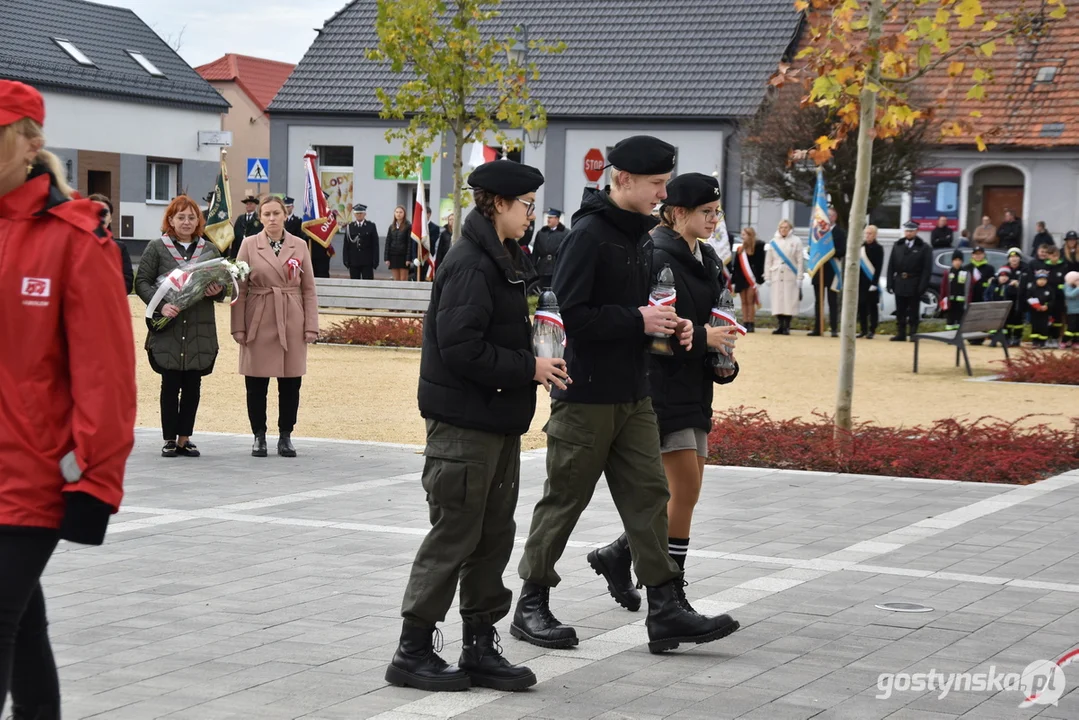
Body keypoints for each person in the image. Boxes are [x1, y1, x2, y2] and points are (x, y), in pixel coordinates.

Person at [513, 135, 739, 656]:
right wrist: (638, 319)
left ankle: (666, 608)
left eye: (664, 183)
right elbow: (568, 315)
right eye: (657, 185)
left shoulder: (639, 235)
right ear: (623, 181)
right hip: (586, 394)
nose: (663, 194)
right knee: (564, 500)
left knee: (650, 498)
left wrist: (676, 327)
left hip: (636, 393)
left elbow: (645, 311)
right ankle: (531, 603)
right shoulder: (587, 235)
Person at [386, 161, 566, 693]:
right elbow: (461, 347)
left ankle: (480, 645)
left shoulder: (505, 258)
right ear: (498, 204)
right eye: (527, 205)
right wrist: (528, 367)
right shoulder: (470, 262)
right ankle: (412, 649)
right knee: (455, 534)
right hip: (464, 425)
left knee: (493, 536)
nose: (532, 215)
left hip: (496, 421)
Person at [0, 78, 136, 719]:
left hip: (36, 476)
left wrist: (94, 485)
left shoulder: (77, 239)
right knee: (21, 626)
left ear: (28, 142)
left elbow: (106, 377)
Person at [592, 172, 740, 613]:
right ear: (678, 213)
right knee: (683, 493)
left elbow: (717, 318)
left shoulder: (707, 257)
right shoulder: (658, 255)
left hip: (694, 388)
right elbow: (655, 337)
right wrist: (704, 339)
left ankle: (618, 555)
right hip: (660, 390)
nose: (714, 219)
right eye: (706, 212)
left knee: (680, 495)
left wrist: (722, 351)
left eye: (717, 212)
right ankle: (670, 593)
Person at [136, 196, 226, 458]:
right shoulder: (157, 248)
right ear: (171, 220)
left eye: (191, 217)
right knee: (170, 382)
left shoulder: (210, 251)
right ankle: (168, 439)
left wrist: (217, 290)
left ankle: (185, 438)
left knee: (193, 384)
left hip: (199, 326)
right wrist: (161, 304)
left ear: (199, 220)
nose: (186, 222)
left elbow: (223, 287)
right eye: (180, 217)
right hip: (170, 326)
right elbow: (142, 281)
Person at [231, 196, 319, 458]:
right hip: (258, 314)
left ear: (285, 215)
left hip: (291, 316)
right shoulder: (248, 244)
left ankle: (286, 435)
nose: (271, 219)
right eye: (266, 214)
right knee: (256, 381)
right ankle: (258, 435)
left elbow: (309, 289)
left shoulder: (300, 245)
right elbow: (239, 287)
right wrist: (238, 326)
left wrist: (311, 326)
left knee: (291, 382)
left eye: (276, 214)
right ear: (260, 218)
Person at [887, 220, 933, 341]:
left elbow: (926, 269)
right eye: (907, 230)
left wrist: (923, 285)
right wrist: (890, 282)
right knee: (900, 309)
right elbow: (891, 265)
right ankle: (901, 333)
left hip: (914, 282)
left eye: (911, 231)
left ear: (916, 231)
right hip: (900, 282)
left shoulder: (924, 247)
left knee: (913, 309)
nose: (909, 233)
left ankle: (913, 333)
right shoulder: (898, 245)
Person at [764, 219, 804, 336]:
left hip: (790, 274)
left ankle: (787, 326)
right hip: (776, 273)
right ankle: (780, 325)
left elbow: (800, 260)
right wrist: (767, 276)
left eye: (786, 227)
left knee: (789, 301)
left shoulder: (796, 241)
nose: (783, 230)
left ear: (790, 228)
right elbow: (768, 261)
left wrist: (799, 277)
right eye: (781, 227)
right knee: (778, 301)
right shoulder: (773, 242)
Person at [810, 207, 846, 337]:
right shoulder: (818, 232)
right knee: (818, 301)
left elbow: (843, 251)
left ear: (834, 217)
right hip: (819, 270)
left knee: (833, 301)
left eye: (830, 216)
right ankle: (818, 328)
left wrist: (829, 252)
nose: (828, 218)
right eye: (826, 216)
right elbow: (812, 249)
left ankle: (834, 328)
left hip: (832, 271)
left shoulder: (840, 232)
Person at [88, 193, 132, 294]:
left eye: (104, 213)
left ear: (111, 218)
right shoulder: (75, 247)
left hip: (110, 305)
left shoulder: (119, 248)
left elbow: (127, 284)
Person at [732, 227, 765, 332]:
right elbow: (736, 266)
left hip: (752, 279)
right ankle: (745, 322)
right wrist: (733, 280)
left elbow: (760, 265)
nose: (742, 237)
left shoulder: (758, 248)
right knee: (744, 301)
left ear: (750, 235)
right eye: (742, 235)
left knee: (750, 301)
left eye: (744, 235)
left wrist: (759, 280)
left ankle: (751, 323)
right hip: (741, 279)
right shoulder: (740, 250)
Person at [857, 224, 884, 339]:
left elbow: (878, 267)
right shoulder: (861, 247)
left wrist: (874, 283)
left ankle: (872, 329)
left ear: (875, 235)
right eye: (866, 233)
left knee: (872, 307)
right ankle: (863, 329)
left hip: (871, 281)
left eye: (870, 233)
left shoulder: (878, 248)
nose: (867, 236)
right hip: (861, 282)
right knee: (861, 306)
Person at [964, 246, 995, 345]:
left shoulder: (989, 268)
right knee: (971, 317)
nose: (978, 256)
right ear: (972, 255)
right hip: (971, 297)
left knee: (981, 317)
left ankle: (980, 337)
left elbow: (991, 283)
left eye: (980, 254)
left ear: (984, 255)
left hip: (982, 297)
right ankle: (970, 336)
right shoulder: (967, 268)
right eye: (976, 254)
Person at [532, 208, 568, 291]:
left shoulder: (565, 233)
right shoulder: (541, 233)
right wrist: (533, 267)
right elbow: (535, 253)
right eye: (548, 217)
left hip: (557, 268)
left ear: (557, 219)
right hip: (543, 268)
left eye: (551, 217)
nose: (548, 219)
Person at [987, 267, 1022, 348]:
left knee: (1005, 326)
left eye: (1006, 276)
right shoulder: (993, 285)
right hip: (995, 309)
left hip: (1006, 310)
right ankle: (994, 339)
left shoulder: (1010, 286)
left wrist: (1014, 286)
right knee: (994, 326)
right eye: (1002, 276)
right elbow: (987, 294)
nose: (1004, 278)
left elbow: (1014, 296)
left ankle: (1005, 339)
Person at [343, 203, 380, 280]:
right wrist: (346, 260)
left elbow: (375, 245)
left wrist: (375, 261)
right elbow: (346, 245)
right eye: (357, 213)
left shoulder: (371, 226)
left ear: (365, 214)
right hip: (353, 261)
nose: (359, 215)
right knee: (354, 284)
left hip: (367, 261)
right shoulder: (350, 227)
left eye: (361, 213)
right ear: (354, 214)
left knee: (368, 284)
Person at [1044, 244, 1067, 348]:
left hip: (1059, 298)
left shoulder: (1063, 266)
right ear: (1048, 256)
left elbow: (1065, 281)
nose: (1054, 258)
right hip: (1047, 298)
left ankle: (1055, 338)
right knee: (1048, 319)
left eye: (1056, 255)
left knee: (1057, 319)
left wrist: (1060, 287)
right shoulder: (1045, 266)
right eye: (1051, 256)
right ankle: (1047, 338)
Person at [940, 249, 968, 331]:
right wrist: (942, 299)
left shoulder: (965, 272)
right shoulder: (948, 272)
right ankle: (949, 335)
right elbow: (943, 286)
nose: (957, 262)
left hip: (961, 302)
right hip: (950, 301)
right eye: (955, 260)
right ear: (952, 261)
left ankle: (957, 335)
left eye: (959, 260)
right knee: (950, 320)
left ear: (962, 261)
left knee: (960, 319)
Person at [229, 193, 262, 259]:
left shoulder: (259, 219)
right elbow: (235, 235)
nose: (248, 205)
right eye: (247, 204)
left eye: (251, 204)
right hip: (239, 248)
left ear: (255, 205)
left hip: (253, 250)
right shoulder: (240, 218)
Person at [1026, 270, 1054, 348]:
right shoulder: (1032, 288)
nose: (1042, 281)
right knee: (1035, 326)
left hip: (1045, 312)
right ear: (1036, 280)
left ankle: (1042, 342)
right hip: (1034, 312)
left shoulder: (1049, 289)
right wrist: (1035, 307)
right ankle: (1035, 342)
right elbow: (1028, 298)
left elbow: (1052, 300)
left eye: (1044, 280)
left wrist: (1047, 306)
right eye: (1040, 279)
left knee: (1043, 327)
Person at [385, 205, 411, 281]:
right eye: (396, 212)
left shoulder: (408, 226)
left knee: (403, 279)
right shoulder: (391, 227)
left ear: (404, 214)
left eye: (400, 212)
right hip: (393, 255)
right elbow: (388, 242)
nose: (398, 214)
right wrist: (386, 258)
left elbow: (409, 243)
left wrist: (408, 258)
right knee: (396, 279)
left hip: (403, 256)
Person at [1063, 271, 1079, 349]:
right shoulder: (1068, 286)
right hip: (1072, 310)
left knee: (1077, 328)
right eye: (1076, 280)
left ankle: (1075, 342)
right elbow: (1070, 295)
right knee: (1071, 327)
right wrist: (1078, 288)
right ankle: (1064, 341)